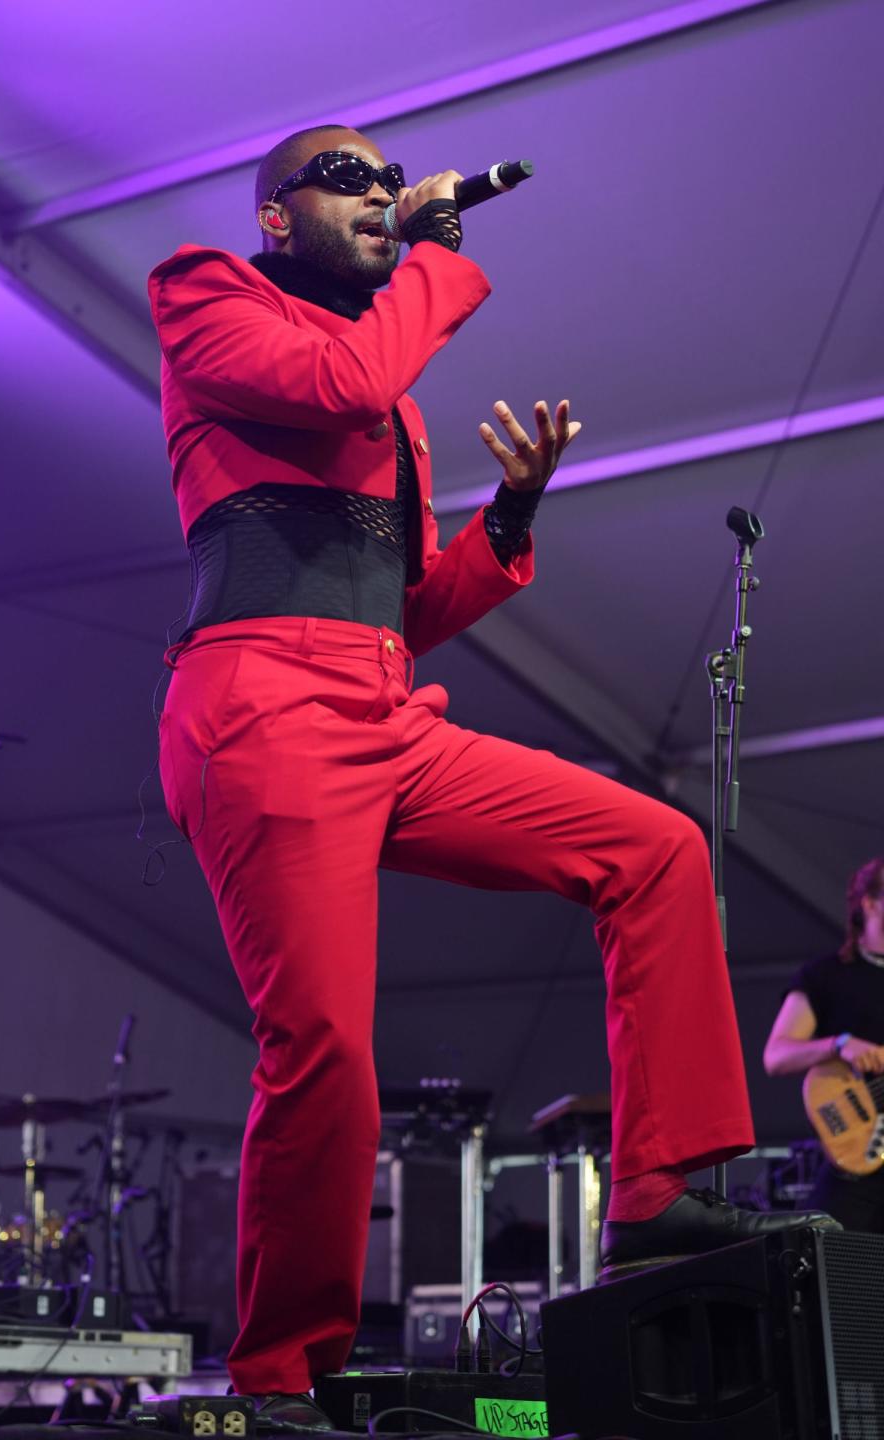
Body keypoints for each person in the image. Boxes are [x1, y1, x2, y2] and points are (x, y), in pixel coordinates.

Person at [148, 125, 833, 1422]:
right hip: (261, 704)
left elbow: (397, 608)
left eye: (382, 177)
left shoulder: (379, 382)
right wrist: (430, 261)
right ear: (276, 215)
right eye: (343, 177)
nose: (373, 190)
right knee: (326, 1051)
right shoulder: (209, 295)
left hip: (376, 700)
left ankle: (651, 1194)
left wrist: (509, 518)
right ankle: (284, 1373)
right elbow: (340, 385)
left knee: (656, 848)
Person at [764, 856, 884, 1230]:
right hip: (857, 1158)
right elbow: (776, 1055)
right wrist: (839, 1044)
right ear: (870, 901)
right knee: (830, 1261)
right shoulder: (825, 976)